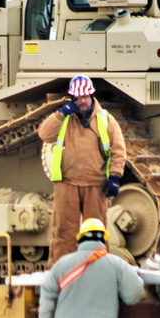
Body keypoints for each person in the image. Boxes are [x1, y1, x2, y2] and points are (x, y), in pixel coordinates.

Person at [38, 74, 127, 265]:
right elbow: (45, 134)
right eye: (77, 98)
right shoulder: (65, 119)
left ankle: (98, 269)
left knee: (96, 234)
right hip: (66, 183)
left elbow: (118, 149)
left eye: (85, 97)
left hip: (95, 185)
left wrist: (114, 177)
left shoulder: (106, 120)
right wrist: (61, 114)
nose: (82, 102)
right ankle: (61, 272)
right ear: (72, 99)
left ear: (92, 96)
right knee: (63, 232)